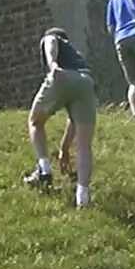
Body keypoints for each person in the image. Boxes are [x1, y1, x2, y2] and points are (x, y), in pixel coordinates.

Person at [24, 27, 99, 207]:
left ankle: (43, 169)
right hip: (86, 82)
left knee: (35, 122)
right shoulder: (77, 57)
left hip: (62, 76)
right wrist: (64, 149)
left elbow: (50, 42)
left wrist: (53, 65)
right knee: (83, 145)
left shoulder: (52, 38)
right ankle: (82, 195)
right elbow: (73, 121)